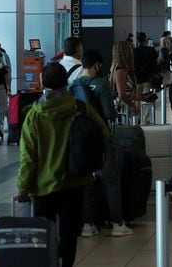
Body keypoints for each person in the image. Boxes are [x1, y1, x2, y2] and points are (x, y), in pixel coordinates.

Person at [16, 62, 110, 267]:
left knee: (43, 233)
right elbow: (103, 135)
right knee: (69, 235)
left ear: (43, 83)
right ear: (65, 82)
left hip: (43, 186)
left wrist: (23, 187)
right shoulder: (81, 107)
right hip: (75, 182)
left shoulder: (35, 115)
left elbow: (28, 157)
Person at [68, 49, 132, 237]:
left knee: (86, 181)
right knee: (111, 180)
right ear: (97, 65)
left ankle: (88, 225)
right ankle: (117, 223)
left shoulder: (74, 84)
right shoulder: (101, 84)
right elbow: (110, 115)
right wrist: (116, 107)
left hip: (80, 139)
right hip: (100, 137)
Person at [109, 41, 138, 116]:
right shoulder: (121, 71)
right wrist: (132, 105)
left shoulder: (119, 69)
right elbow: (122, 94)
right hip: (124, 111)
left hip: (124, 109)